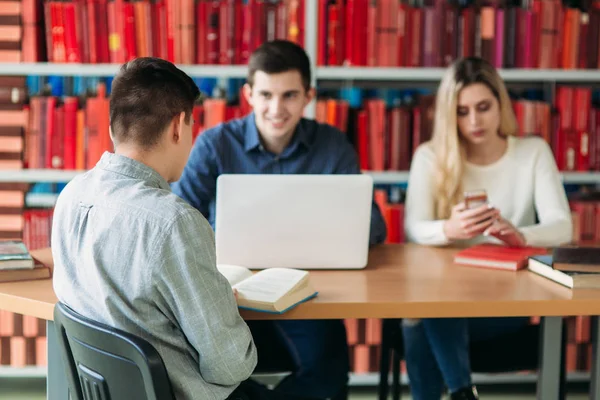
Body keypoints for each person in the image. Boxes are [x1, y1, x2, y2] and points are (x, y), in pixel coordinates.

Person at [51, 57, 300, 400]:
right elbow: (231, 365)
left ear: (112, 128)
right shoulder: (173, 221)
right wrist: (219, 303)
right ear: (178, 126)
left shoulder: (72, 195)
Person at [172, 39, 387, 400]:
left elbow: (375, 228)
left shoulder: (333, 145)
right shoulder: (214, 144)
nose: (276, 108)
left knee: (330, 375)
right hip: (227, 293)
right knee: (203, 375)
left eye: (289, 95)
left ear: (308, 96)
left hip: (309, 293)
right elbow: (177, 221)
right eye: (266, 95)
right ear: (249, 95)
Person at [402, 57, 573, 400]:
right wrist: (449, 229)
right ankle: (463, 392)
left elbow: (563, 227)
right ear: (450, 115)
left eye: (483, 107)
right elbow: (414, 228)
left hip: (506, 299)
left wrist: (520, 236)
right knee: (431, 308)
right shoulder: (430, 157)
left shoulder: (532, 152)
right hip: (446, 296)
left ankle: (460, 393)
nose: (475, 121)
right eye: (462, 112)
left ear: (501, 104)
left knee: (421, 318)